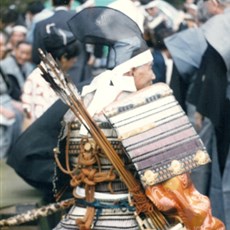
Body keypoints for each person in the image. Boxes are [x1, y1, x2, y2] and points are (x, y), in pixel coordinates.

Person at [7, 7, 224, 230]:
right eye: (148, 68)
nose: (153, 75)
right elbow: (178, 188)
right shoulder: (149, 106)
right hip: (127, 218)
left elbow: (62, 168)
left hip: (78, 217)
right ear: (130, 72)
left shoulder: (86, 98)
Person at [21, 26, 82, 129]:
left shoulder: (55, 74)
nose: (74, 62)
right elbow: (43, 116)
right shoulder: (41, 78)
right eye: (73, 59)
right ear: (63, 58)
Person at [32, 0, 92, 85]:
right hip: (81, 73)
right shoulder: (80, 19)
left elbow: (36, 57)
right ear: (71, 2)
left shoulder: (41, 25)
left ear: (52, 3)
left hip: (54, 77)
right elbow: (91, 42)